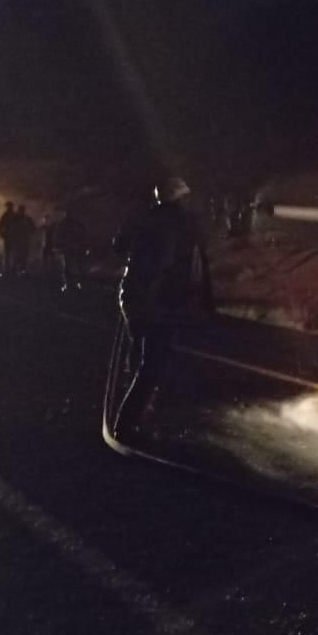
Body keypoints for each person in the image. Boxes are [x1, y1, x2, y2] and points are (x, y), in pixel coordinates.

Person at [111, 176, 215, 440]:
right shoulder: (183, 225)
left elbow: (118, 246)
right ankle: (128, 423)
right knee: (155, 363)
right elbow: (192, 265)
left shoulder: (143, 218)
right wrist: (203, 301)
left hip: (133, 296)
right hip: (160, 301)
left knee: (140, 353)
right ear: (180, 198)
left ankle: (137, 410)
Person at [54, 208, 89, 291]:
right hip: (70, 248)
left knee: (72, 266)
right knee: (70, 266)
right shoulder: (67, 224)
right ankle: (72, 283)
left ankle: (74, 283)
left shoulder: (68, 224)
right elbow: (58, 236)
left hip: (73, 248)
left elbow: (83, 235)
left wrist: (85, 245)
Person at [0, 202, 17, 275]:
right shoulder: (7, 215)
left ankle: (11, 268)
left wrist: (2, 234)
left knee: (11, 253)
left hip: (12, 237)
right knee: (8, 253)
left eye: (9, 206)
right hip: (9, 237)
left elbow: (0, 227)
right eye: (8, 207)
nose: (9, 208)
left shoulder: (14, 216)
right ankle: (8, 269)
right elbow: (0, 227)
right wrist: (3, 235)